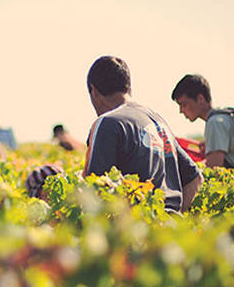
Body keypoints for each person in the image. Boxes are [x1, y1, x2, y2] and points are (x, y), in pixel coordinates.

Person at [83, 56, 202, 213]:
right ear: (128, 87)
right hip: (171, 231)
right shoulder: (158, 122)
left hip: (137, 233)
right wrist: (173, 215)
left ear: (94, 91)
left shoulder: (107, 123)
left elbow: (94, 194)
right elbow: (195, 178)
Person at [171, 74, 234, 173]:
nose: (181, 111)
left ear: (200, 99)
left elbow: (213, 169)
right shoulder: (226, 116)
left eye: (184, 104)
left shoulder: (215, 123)